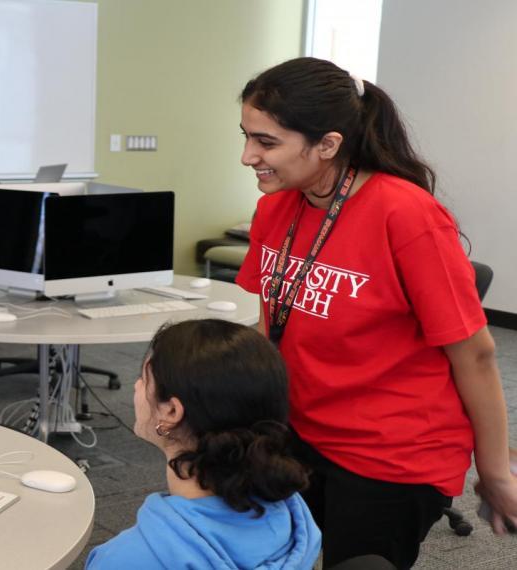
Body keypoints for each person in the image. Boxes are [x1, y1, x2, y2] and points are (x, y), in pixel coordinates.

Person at [235, 56, 517, 569]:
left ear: (328, 144)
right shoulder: (276, 207)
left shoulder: (405, 214)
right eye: (247, 136)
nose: (247, 156)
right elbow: (270, 323)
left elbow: (475, 354)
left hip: (392, 450)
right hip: (299, 429)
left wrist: (495, 471)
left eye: (266, 142)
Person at [86, 319, 321, 569]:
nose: (136, 386)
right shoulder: (295, 522)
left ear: (172, 411)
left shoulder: (126, 559)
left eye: (144, 379)